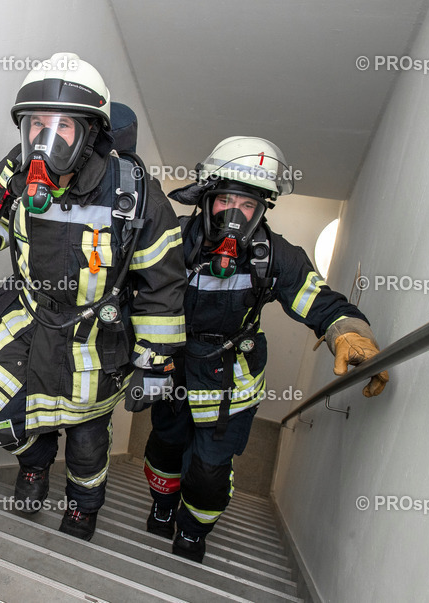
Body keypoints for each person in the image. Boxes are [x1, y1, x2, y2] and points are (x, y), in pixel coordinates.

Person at [0, 52, 187, 541]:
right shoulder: (15, 170)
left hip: (94, 333)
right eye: (36, 123)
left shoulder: (136, 193)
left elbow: (162, 287)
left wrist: (154, 363)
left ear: (91, 133)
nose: (44, 137)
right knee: (4, 411)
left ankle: (84, 507)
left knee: (86, 441)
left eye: (62, 126)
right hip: (29, 314)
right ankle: (33, 467)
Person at [139, 136, 390, 562]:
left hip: (229, 383)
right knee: (165, 446)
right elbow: (137, 291)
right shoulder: (173, 240)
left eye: (248, 205)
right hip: (175, 368)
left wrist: (346, 331)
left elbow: (321, 302)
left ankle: (195, 529)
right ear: (206, 199)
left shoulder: (276, 257)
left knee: (209, 471)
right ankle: (163, 506)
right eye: (225, 201)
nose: (234, 215)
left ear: (262, 211)